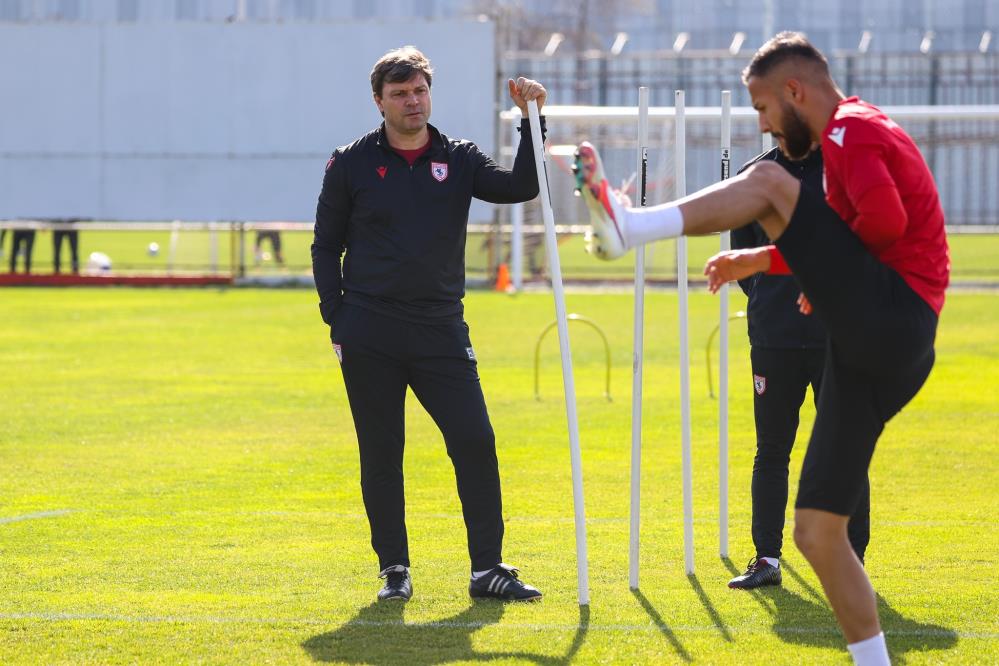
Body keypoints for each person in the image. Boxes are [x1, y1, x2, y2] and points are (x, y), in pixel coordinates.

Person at [575, 32, 948, 666]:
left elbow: (885, 223)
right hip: (886, 346)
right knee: (818, 533)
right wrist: (808, 273)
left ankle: (631, 224)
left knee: (770, 183)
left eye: (762, 108)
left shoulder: (849, 131)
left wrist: (817, 272)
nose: (763, 121)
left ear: (794, 92)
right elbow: (857, 232)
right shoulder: (848, 134)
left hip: (895, 314)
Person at [312, 46, 546, 603]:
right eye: (399, 93)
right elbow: (325, 246)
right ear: (379, 101)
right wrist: (336, 318)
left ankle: (487, 569)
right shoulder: (350, 162)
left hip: (441, 328)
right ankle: (394, 567)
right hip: (368, 328)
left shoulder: (459, 157)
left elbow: (521, 188)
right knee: (381, 450)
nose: (412, 101)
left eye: (419, 90)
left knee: (475, 441)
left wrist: (532, 122)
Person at [726, 146, 871, 590]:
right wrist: (773, 299)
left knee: (845, 446)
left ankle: (853, 560)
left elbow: (867, 244)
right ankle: (766, 558)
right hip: (775, 338)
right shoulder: (756, 175)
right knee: (771, 449)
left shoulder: (846, 170)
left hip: (836, 337)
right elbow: (742, 259)